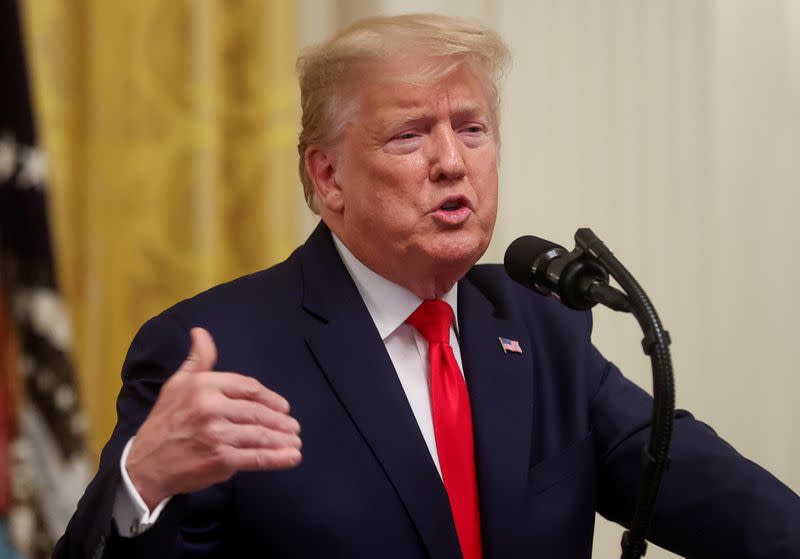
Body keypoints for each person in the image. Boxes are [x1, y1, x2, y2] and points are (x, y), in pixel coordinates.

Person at [54, 14, 799, 559]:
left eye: (471, 129)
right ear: (328, 176)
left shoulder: (542, 327)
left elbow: (721, 500)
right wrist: (141, 479)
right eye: (410, 134)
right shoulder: (219, 352)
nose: (451, 161)